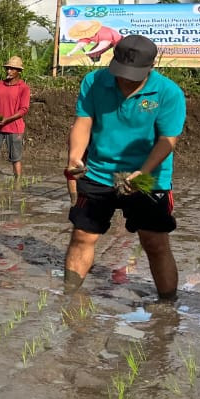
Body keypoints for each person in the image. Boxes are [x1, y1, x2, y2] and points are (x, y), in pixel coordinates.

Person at [64, 35, 185, 301]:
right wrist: (75, 157)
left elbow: (167, 140)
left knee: (155, 243)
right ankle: (70, 297)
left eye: (133, 76)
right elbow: (83, 122)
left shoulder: (168, 93)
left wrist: (143, 171)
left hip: (148, 177)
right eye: (121, 73)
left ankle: (168, 306)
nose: (125, 80)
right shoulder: (94, 82)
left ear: (150, 68)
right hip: (98, 171)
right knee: (83, 236)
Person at [0, 55, 31, 178]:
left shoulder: (23, 88)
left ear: (19, 71)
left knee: (16, 158)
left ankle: (18, 182)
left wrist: (7, 120)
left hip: (14, 127)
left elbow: (24, 109)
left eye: (12, 69)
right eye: (8, 68)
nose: (9, 71)